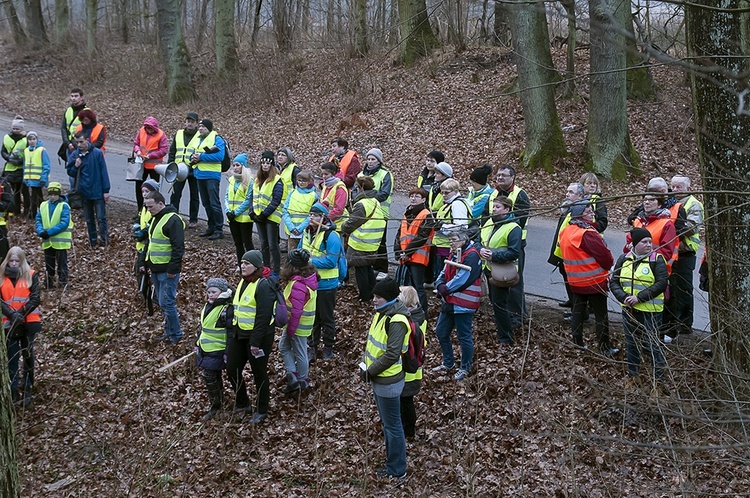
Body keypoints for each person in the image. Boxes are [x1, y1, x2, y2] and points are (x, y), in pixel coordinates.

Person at [610, 228, 669, 395]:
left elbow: (661, 283)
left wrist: (639, 298)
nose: (649, 245)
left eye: (650, 242)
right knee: (632, 344)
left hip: (651, 311)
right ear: (635, 244)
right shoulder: (624, 259)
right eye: (644, 242)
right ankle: (633, 377)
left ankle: (658, 383)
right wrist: (624, 297)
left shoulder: (656, 260)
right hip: (629, 310)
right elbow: (614, 281)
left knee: (653, 346)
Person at [361, 277, 408, 479]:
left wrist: (370, 371)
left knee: (393, 426)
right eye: (373, 296)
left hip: (388, 381)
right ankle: (393, 464)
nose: (374, 300)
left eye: (378, 297)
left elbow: (391, 354)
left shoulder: (396, 320)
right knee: (389, 424)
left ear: (388, 298)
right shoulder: (382, 313)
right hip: (379, 378)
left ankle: (397, 470)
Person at [227, 250, 278, 425]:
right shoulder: (243, 281)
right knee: (232, 368)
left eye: (247, 263)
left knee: (259, 373)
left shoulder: (263, 285)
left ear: (256, 266)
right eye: (241, 263)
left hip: (258, 338)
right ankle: (243, 403)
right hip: (239, 334)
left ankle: (261, 409)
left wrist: (255, 343)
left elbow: (263, 317)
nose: (242, 266)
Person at [559, 202, 616, 353]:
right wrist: (609, 266)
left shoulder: (566, 230)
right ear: (579, 214)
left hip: (575, 281)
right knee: (601, 316)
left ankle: (577, 342)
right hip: (594, 281)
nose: (592, 214)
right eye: (588, 211)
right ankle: (604, 347)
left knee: (577, 312)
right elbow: (604, 256)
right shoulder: (587, 233)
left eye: (592, 211)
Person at [432, 229, 483, 381]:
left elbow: (463, 278)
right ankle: (448, 363)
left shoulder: (472, 256)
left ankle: (465, 367)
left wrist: (445, 288)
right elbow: (445, 270)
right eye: (450, 241)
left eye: (453, 240)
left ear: (463, 239)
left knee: (464, 337)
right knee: (441, 332)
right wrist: (440, 283)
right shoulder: (454, 253)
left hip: (464, 304)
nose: (451, 243)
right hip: (449, 302)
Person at [139, 191, 185, 344]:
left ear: (160, 204)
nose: (148, 210)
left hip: (167, 270)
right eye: (147, 207)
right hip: (156, 268)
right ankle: (170, 331)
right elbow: (150, 243)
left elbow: (178, 248)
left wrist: (173, 269)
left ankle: (176, 334)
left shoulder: (173, 220)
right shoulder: (155, 219)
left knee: (167, 302)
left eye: (150, 206)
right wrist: (144, 263)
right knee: (162, 301)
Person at [488, 165, 530, 329]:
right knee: (496, 280)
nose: (499, 178)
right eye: (498, 175)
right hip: (495, 245)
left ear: (513, 177)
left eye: (504, 175)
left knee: (513, 281)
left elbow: (520, 220)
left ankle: (517, 316)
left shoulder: (520, 195)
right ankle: (501, 313)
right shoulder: (493, 193)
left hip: (514, 245)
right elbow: (486, 215)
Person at [663, 175, 704, 339]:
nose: (675, 189)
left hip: (685, 253)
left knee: (683, 291)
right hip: (670, 252)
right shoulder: (670, 202)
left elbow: (690, 228)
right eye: (673, 186)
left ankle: (685, 326)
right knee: (669, 291)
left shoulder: (693, 204)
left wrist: (666, 230)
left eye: (679, 186)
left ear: (688, 187)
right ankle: (671, 325)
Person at [301, 203, 343, 361]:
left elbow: (331, 261)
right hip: (309, 283)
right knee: (312, 317)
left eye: (316, 215)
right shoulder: (307, 232)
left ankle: (328, 348)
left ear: (323, 218)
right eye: (310, 214)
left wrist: (310, 261)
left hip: (326, 284)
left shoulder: (331, 236)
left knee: (326, 318)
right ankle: (312, 347)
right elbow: (300, 250)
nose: (311, 217)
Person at [478, 196, 522, 345]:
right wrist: (480, 249)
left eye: (498, 207)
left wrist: (494, 255)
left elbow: (515, 252)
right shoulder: (489, 222)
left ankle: (506, 337)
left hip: (502, 272)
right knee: (495, 302)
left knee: (499, 304)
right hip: (489, 269)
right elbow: (479, 240)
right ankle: (503, 329)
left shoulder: (513, 228)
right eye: (493, 206)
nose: (494, 209)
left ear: (507, 210)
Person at [1, 246, 41, 407]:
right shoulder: (1, 276)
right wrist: (12, 315)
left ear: (22, 261)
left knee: (28, 356)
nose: (14, 264)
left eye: (17, 261)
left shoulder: (31, 275)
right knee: (12, 358)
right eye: (12, 260)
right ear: (7, 261)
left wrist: (21, 313)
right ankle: (12, 390)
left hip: (28, 323)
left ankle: (27, 387)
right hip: (9, 325)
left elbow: (35, 298)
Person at [279, 248, 318, 395]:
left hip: (297, 326)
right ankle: (294, 377)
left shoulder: (298, 285)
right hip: (298, 325)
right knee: (284, 347)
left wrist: (290, 330)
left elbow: (296, 310)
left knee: (300, 352)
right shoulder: (306, 279)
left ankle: (301, 381)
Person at [342, 176, 386, 303]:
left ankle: (364, 296)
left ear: (361, 188)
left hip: (360, 243)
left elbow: (351, 223)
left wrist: (344, 226)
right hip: (372, 243)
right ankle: (373, 293)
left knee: (360, 271)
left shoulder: (361, 204)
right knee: (368, 269)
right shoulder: (375, 201)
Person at [195, 277, 233, 420]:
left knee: (209, 376)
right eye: (208, 292)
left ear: (222, 292)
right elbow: (204, 327)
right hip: (205, 348)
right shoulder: (207, 306)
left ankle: (215, 405)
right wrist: (197, 342)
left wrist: (228, 352)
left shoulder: (226, 309)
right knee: (214, 376)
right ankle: (219, 399)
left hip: (218, 349)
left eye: (213, 292)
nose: (210, 295)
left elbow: (230, 333)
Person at [393, 187, 435, 313]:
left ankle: (422, 313)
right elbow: (399, 234)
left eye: (417, 196)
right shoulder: (408, 213)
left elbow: (422, 237)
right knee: (404, 286)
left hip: (418, 257)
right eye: (411, 196)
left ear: (423, 199)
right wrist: (398, 252)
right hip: (405, 256)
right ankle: (406, 309)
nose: (413, 198)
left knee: (418, 287)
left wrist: (406, 253)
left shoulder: (426, 215)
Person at [66, 131, 111, 248]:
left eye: (81, 142)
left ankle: (104, 240)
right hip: (84, 193)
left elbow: (103, 172)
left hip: (98, 191)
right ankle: (93, 241)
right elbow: (70, 172)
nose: (79, 145)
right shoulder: (75, 155)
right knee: (89, 219)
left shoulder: (97, 153)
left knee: (101, 218)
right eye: (77, 143)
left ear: (87, 140)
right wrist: (75, 166)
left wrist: (106, 190)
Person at [548, 182, 586, 309]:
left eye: (571, 192)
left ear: (580, 195)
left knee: (574, 282)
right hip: (563, 251)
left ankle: (579, 310)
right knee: (566, 277)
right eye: (567, 191)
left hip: (573, 253)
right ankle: (572, 303)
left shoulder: (582, 211)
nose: (567, 194)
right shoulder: (568, 208)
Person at [357, 148, 394, 279]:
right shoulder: (361, 174)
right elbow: (356, 192)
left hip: (380, 213)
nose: (370, 161)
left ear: (379, 161)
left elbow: (384, 193)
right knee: (367, 239)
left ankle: (382, 268)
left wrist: (368, 200)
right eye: (369, 159)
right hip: (364, 212)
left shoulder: (385, 174)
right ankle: (370, 265)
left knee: (381, 241)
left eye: (373, 159)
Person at [625, 189, 678, 273]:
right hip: (633, 267)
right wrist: (629, 246)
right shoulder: (638, 221)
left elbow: (666, 253)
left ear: (659, 204)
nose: (647, 202)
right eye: (645, 200)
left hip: (655, 269)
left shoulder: (667, 224)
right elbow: (628, 244)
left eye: (652, 200)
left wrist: (642, 251)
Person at [398, 285, 426, 441]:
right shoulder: (419, 315)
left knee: (406, 402)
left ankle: (409, 431)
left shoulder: (411, 320)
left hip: (408, 369)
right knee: (405, 401)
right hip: (414, 367)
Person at [190, 119, 225, 240]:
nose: (200, 129)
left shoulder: (217, 139)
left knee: (214, 203)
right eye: (199, 127)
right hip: (200, 175)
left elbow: (220, 156)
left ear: (209, 128)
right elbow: (195, 153)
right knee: (206, 204)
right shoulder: (198, 139)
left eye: (203, 127)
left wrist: (201, 157)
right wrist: (193, 158)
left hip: (212, 176)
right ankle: (211, 226)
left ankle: (218, 229)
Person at [250, 151, 284, 275]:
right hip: (259, 216)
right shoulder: (257, 179)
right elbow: (252, 196)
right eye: (263, 163)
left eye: (268, 163)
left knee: (272, 244)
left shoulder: (277, 180)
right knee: (263, 243)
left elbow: (276, 199)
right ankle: (266, 267)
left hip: (270, 217)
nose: (265, 165)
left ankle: (276, 269)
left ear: (272, 165)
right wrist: (252, 212)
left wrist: (265, 214)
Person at [432, 178, 472, 280]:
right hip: (442, 246)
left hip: (449, 247)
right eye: (442, 193)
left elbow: (461, 226)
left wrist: (442, 226)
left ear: (455, 191)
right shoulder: (448, 204)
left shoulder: (457, 204)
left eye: (447, 193)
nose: (444, 195)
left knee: (445, 277)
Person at [35, 182, 72, 289]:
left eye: (55, 194)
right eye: (51, 194)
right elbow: (38, 220)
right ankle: (48, 283)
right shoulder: (43, 205)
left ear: (59, 194)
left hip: (60, 242)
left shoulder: (64, 206)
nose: (52, 196)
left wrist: (49, 232)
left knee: (62, 265)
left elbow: (64, 223)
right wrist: (40, 231)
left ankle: (62, 283)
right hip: (48, 241)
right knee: (49, 264)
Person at [169, 112, 201, 229]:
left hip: (193, 170)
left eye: (192, 122)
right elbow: (172, 151)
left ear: (196, 123)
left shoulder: (200, 136)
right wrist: (170, 166)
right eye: (188, 121)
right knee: (175, 194)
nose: (190, 124)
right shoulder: (178, 134)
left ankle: (193, 219)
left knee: (194, 196)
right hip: (178, 169)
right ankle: (173, 215)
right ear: (185, 122)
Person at [132, 116, 168, 213]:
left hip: (155, 167)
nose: (148, 130)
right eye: (147, 128)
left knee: (154, 190)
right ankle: (140, 211)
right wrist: (138, 151)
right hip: (141, 165)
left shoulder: (161, 135)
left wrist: (151, 156)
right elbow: (136, 144)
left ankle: (155, 210)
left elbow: (164, 150)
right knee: (139, 188)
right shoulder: (141, 131)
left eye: (150, 128)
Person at [225, 154, 255, 266]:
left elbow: (248, 199)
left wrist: (235, 212)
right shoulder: (232, 179)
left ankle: (253, 263)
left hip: (244, 218)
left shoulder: (250, 181)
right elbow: (227, 196)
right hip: (232, 217)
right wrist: (228, 210)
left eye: (237, 165)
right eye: (234, 165)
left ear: (243, 166)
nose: (235, 167)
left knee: (247, 242)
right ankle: (240, 264)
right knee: (238, 243)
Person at [282, 170, 317, 253]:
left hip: (305, 230)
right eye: (299, 180)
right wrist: (291, 227)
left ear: (309, 182)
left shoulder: (313, 196)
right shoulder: (292, 192)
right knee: (291, 253)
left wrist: (300, 228)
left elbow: (313, 215)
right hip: (291, 230)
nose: (301, 183)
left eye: (304, 181)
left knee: (303, 253)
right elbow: (285, 210)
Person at [2, 116, 27, 216]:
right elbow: (3, 151)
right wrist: (9, 158)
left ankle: (25, 211)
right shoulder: (6, 137)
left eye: (17, 128)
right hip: (10, 168)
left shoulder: (26, 139)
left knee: (22, 191)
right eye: (14, 128)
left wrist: (20, 161)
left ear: (21, 129)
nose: (15, 130)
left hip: (21, 169)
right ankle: (14, 210)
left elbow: (29, 152)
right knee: (11, 192)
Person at [23, 131, 50, 220]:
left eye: (34, 139)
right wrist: (25, 177)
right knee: (34, 197)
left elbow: (46, 165)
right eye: (30, 139)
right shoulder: (26, 151)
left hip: (38, 179)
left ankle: (39, 214)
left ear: (37, 140)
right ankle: (34, 214)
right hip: (30, 179)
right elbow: (25, 165)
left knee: (37, 197)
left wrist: (44, 177)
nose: (32, 141)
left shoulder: (41, 150)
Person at [60, 88, 89, 162]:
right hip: (69, 146)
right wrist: (67, 143)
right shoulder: (68, 111)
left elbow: (88, 130)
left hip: (80, 145)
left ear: (81, 97)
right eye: (72, 96)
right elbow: (63, 128)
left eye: (76, 96)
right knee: (71, 169)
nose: (74, 98)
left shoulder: (87, 112)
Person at [318, 161, 349, 229]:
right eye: (322, 174)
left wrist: (324, 220)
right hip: (327, 223)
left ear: (333, 174)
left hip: (338, 225)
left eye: (326, 174)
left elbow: (339, 210)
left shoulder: (340, 188)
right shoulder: (325, 186)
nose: (323, 177)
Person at [0, 180, 15, 261]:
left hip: (0, 228)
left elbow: (11, 206)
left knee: (2, 257)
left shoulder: (3, 184)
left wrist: (1, 204)